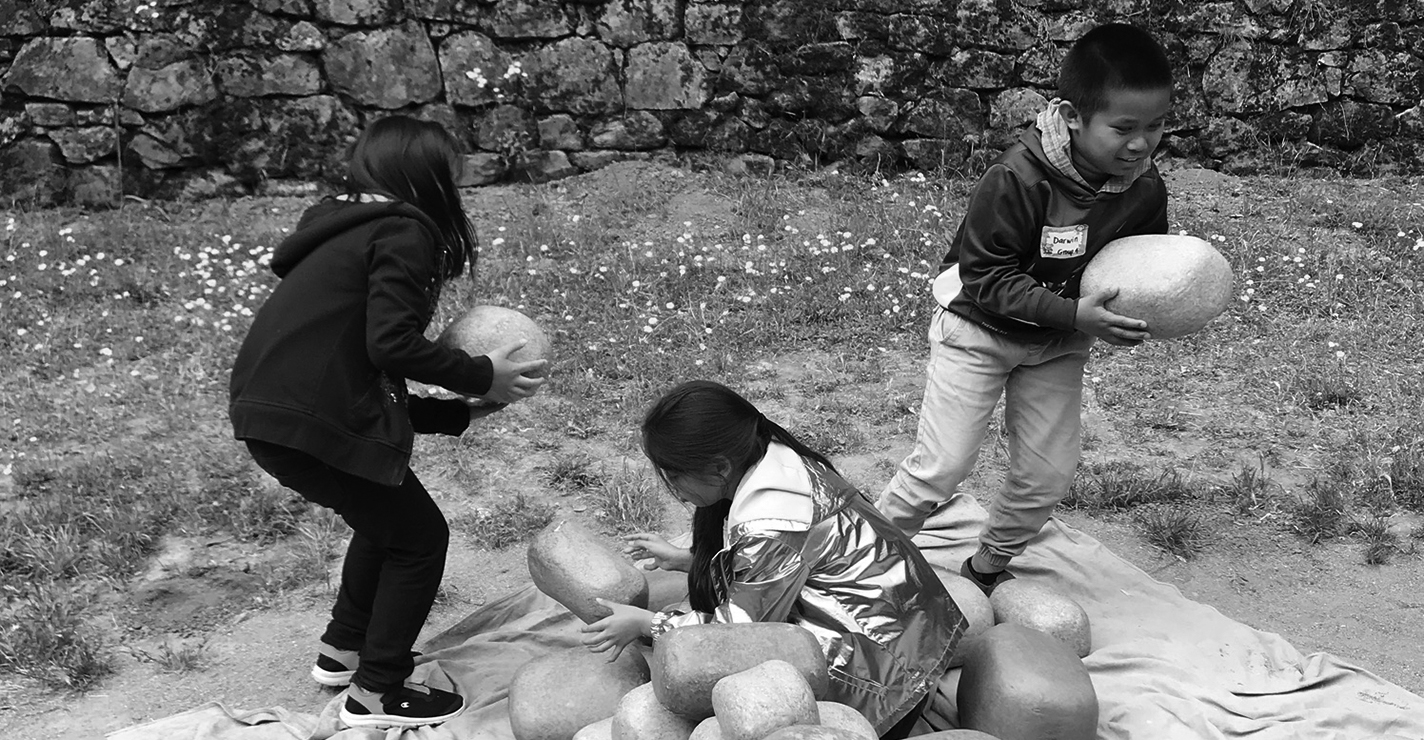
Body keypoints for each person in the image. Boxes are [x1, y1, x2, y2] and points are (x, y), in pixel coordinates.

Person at [229, 116, 547, 729]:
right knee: (419, 539)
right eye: (451, 176)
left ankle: (343, 651)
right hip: (311, 418)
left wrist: (458, 411)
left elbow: (360, 373)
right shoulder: (404, 228)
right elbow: (391, 346)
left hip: (278, 411)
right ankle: (377, 692)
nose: (455, 189)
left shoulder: (342, 229)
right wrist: (483, 374)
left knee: (384, 521)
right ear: (424, 175)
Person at [875, 23, 1173, 595]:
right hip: (978, 327)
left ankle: (986, 569)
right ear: (1072, 116)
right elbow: (983, 278)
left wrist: (1142, 309)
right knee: (942, 466)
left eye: (1156, 126)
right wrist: (1074, 315)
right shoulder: (1016, 177)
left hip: (1056, 341)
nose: (1141, 144)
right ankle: (862, 554)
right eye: (1125, 128)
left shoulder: (1144, 186)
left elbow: (1140, 264)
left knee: (1047, 472)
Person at [580, 380, 966, 739]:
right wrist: (687, 559)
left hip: (886, 688)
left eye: (674, 476)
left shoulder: (772, 525)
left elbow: (735, 635)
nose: (673, 489)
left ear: (720, 468)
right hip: (915, 645)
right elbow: (774, 573)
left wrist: (647, 623)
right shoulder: (778, 458)